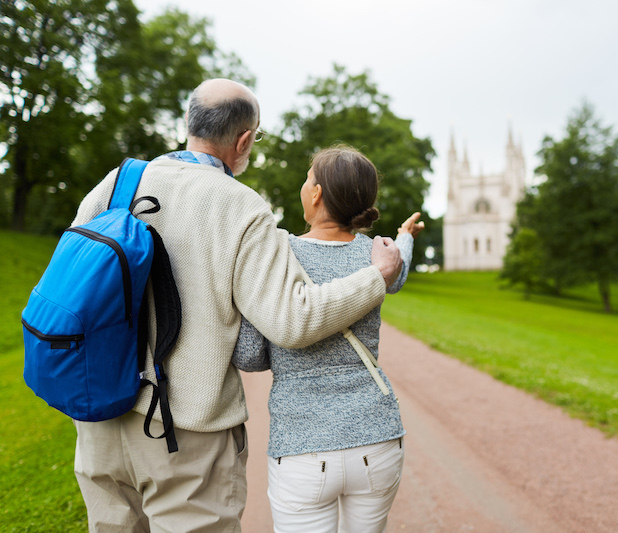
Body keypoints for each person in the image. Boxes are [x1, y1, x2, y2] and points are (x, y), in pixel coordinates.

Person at [70, 79, 402, 532]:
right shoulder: (239, 205)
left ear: (189, 123)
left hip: (100, 415)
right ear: (244, 140)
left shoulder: (116, 182)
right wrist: (374, 278)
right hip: (183, 429)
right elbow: (292, 321)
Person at [233, 144, 425, 532]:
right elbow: (397, 273)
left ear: (317, 193)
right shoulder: (378, 256)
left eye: (308, 179)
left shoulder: (280, 255)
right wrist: (404, 236)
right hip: (378, 438)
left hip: (303, 447)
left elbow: (250, 355)